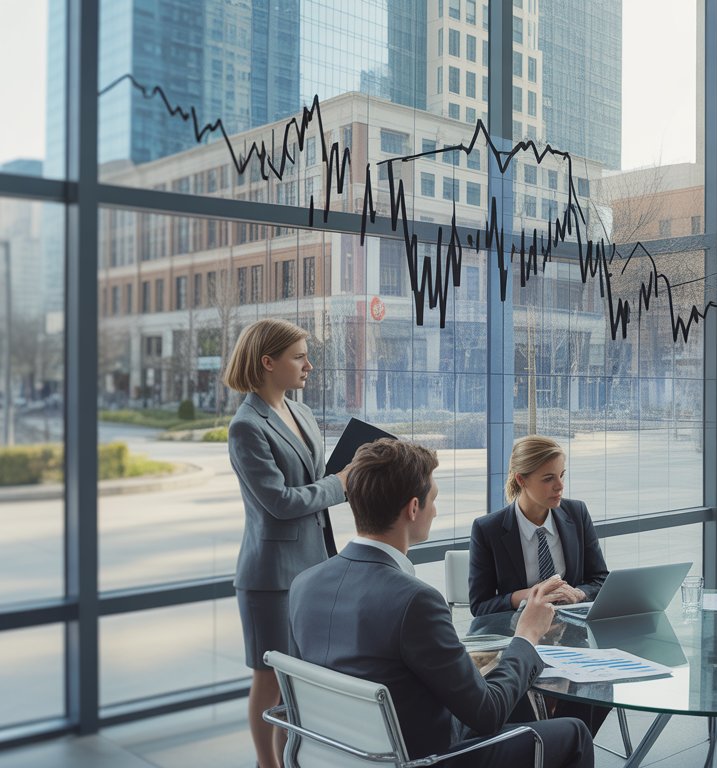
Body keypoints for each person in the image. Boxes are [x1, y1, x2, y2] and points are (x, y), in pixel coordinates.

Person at [289, 438, 593, 768]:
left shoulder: (304, 585)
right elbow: (487, 715)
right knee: (573, 732)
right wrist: (527, 635)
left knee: (509, 691)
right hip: (429, 759)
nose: (436, 510)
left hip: (346, 754)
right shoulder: (415, 600)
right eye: (433, 499)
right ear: (413, 508)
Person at [223, 318, 348, 768]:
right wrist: (340, 484)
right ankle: (267, 765)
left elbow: (313, 481)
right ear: (267, 362)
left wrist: (353, 473)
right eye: (299, 356)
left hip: (312, 568)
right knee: (270, 679)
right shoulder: (246, 427)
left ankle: (291, 761)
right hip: (270, 577)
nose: (309, 365)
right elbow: (278, 502)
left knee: (299, 680)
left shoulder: (302, 412)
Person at [469, 434, 611, 731]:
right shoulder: (489, 530)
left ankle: (563, 743)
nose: (559, 486)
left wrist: (578, 593)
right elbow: (480, 605)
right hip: (520, 641)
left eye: (561, 476)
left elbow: (600, 579)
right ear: (521, 479)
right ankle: (560, 742)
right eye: (548, 479)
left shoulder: (577, 513)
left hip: (573, 641)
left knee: (601, 685)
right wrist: (530, 595)